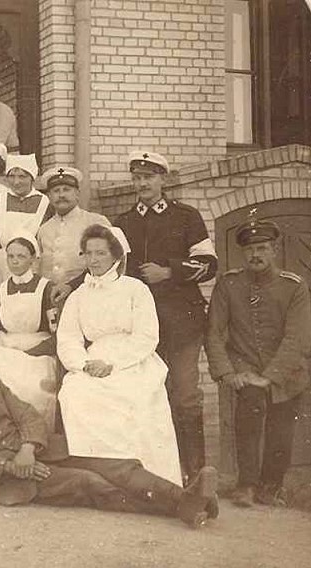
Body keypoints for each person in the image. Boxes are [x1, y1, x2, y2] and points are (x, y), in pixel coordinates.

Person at [0, 333, 220, 529]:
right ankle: (179, 506)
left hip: (34, 454)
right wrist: (13, 467)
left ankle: (184, 497)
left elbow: (27, 415)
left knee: (116, 464)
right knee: (88, 482)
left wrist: (28, 448)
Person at [115, 151, 217, 483]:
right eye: (137, 177)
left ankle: (196, 472)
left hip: (182, 322)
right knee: (146, 395)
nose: (142, 183)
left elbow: (208, 264)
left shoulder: (186, 217)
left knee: (185, 394)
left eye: (149, 177)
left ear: (163, 180)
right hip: (140, 328)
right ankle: (158, 470)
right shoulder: (124, 222)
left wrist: (169, 271)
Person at [57, 224, 182, 485]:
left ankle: (146, 479)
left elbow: (147, 336)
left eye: (100, 253)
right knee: (74, 393)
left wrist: (113, 364)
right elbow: (68, 337)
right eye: (88, 253)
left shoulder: (135, 289)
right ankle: (99, 476)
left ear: (115, 255)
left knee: (133, 397)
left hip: (133, 359)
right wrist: (82, 364)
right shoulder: (79, 295)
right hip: (92, 360)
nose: (93, 260)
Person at [205, 218, 311, 507]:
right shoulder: (228, 284)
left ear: (274, 250)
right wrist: (228, 372)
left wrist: (271, 376)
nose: (256, 255)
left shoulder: (294, 287)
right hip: (246, 370)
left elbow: (297, 338)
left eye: (262, 248)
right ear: (243, 253)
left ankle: (271, 486)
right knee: (248, 421)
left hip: (287, 373)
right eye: (250, 249)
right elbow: (214, 332)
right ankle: (247, 485)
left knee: (281, 431)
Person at [0, 233, 58, 428]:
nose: (15, 261)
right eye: (11, 256)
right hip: (6, 347)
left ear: (33, 259)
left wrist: (31, 353)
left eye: (21, 256)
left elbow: (55, 332)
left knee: (33, 388)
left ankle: (36, 432)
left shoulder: (46, 288)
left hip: (38, 350)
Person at [37, 166, 110, 306]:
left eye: (66, 190)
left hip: (88, 296)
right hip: (52, 300)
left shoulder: (96, 222)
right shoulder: (44, 230)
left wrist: (73, 285)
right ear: (49, 197)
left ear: (77, 193)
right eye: (56, 191)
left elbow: (111, 263)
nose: (61, 195)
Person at [0, 154, 52, 282]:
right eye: (11, 176)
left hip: (33, 267)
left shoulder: (45, 203)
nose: (16, 182)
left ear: (32, 178)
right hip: (0, 267)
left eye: (22, 177)